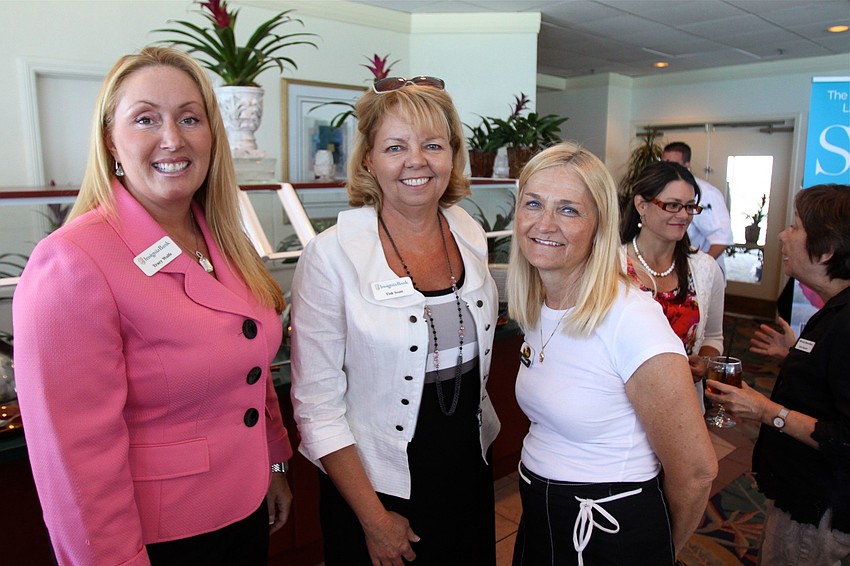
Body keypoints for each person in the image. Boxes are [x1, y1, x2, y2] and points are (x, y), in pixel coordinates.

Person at [13, 47, 292, 565]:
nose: (173, 139)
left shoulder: (223, 238)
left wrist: (274, 464)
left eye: (191, 118)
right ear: (109, 141)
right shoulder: (72, 262)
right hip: (160, 537)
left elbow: (250, 362)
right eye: (146, 119)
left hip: (246, 507)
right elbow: (74, 464)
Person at [289, 76, 500, 565]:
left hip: (467, 467)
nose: (416, 161)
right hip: (376, 484)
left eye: (432, 145)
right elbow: (317, 409)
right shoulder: (331, 254)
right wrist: (374, 518)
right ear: (368, 158)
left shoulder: (469, 231)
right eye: (395, 146)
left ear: (453, 154)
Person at [508, 142, 717, 565]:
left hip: (608, 527)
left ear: (599, 226)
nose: (544, 223)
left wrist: (656, 551)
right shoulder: (539, 303)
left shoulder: (631, 318)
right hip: (541, 514)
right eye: (533, 203)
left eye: (568, 209)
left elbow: (696, 471)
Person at [707, 184, 850, 565]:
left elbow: (846, 438)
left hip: (818, 510)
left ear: (828, 249)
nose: (783, 235)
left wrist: (765, 409)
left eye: (797, 227)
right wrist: (796, 355)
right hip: (799, 495)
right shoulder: (835, 310)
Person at [621, 160, 726, 412]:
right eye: (672, 205)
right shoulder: (611, 266)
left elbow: (713, 336)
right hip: (623, 406)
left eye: (690, 206)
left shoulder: (705, 269)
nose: (684, 215)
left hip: (683, 404)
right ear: (641, 205)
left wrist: (704, 362)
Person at [662, 142, 734, 277]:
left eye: (673, 164)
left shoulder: (707, 193)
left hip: (699, 273)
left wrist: (696, 271)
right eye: (664, 164)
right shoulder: (660, 191)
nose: (667, 169)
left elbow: (721, 239)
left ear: (687, 165)